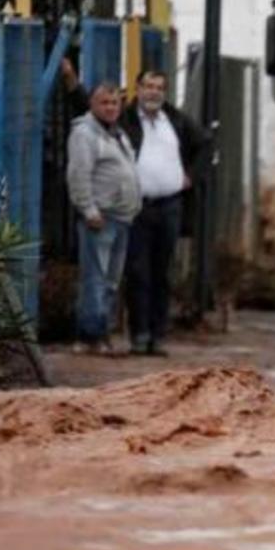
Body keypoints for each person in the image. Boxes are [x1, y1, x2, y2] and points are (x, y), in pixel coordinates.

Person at [119, 70, 209, 356]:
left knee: (162, 273)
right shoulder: (126, 118)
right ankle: (139, 334)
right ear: (138, 88)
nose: (153, 92)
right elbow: (94, 114)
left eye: (159, 87)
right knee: (137, 272)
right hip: (138, 207)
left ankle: (157, 335)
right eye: (148, 86)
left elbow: (205, 143)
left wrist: (191, 176)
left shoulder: (176, 119)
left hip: (170, 205)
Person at [66, 82, 141, 353]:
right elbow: (79, 174)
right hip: (101, 217)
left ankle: (101, 333)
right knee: (95, 279)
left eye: (114, 103)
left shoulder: (117, 133)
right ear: (92, 105)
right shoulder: (85, 134)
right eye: (104, 103)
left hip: (121, 217)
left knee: (110, 281)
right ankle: (89, 336)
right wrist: (88, 209)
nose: (110, 108)